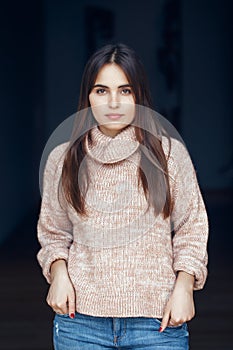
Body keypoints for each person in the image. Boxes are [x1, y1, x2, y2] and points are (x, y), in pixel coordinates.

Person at [37, 43, 209, 349]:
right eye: (101, 91)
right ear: (87, 97)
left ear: (139, 96)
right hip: (80, 322)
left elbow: (192, 227)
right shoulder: (63, 159)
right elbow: (53, 231)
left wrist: (185, 287)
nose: (113, 102)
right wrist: (58, 272)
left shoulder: (168, 154)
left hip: (157, 321)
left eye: (125, 91)